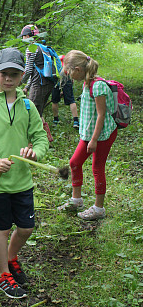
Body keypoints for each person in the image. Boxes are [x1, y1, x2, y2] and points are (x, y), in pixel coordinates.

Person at [0, 48, 49, 298]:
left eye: (14, 74)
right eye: (4, 74)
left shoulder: (28, 106)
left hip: (22, 182)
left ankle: (12, 257)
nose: (9, 79)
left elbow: (40, 137)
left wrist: (36, 152)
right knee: (1, 229)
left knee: (26, 228)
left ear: (22, 77)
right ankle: (2, 273)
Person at [58, 50, 117, 221]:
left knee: (97, 168)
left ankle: (99, 209)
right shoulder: (86, 83)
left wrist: (94, 140)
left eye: (68, 71)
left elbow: (101, 115)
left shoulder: (98, 86)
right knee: (74, 163)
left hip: (102, 135)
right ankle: (76, 201)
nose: (68, 74)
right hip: (88, 135)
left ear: (78, 69)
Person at [20, 24, 57, 142]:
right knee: (38, 112)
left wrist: (19, 82)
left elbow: (29, 70)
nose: (23, 39)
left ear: (28, 36)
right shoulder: (42, 47)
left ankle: (38, 140)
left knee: (31, 112)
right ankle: (47, 138)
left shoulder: (31, 49)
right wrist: (26, 87)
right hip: (48, 83)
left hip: (39, 84)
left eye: (23, 36)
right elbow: (36, 70)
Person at [52, 54, 79, 129]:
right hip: (66, 76)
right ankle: (76, 121)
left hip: (55, 77)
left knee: (54, 101)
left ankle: (55, 120)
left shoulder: (55, 60)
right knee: (71, 100)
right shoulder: (65, 59)